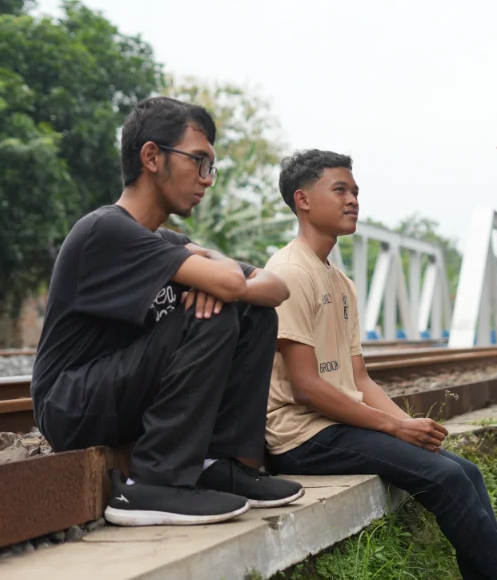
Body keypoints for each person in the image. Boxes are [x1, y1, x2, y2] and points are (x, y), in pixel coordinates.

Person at [263, 149, 497, 580]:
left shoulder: (341, 282)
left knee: (461, 469)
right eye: (339, 190)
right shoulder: (290, 273)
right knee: (445, 479)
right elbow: (306, 387)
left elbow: (358, 378)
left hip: (338, 428)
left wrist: (412, 430)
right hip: (303, 436)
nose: (353, 200)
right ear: (302, 199)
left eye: (355, 191)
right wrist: (394, 428)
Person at [32, 96, 304, 527]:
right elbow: (235, 283)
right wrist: (224, 280)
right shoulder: (106, 230)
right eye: (198, 161)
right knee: (216, 311)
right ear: (152, 156)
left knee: (252, 313)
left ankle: (217, 462)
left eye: (210, 167)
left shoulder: (164, 242)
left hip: (120, 395)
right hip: (71, 404)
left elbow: (275, 288)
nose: (206, 179)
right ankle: (153, 486)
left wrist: (219, 270)